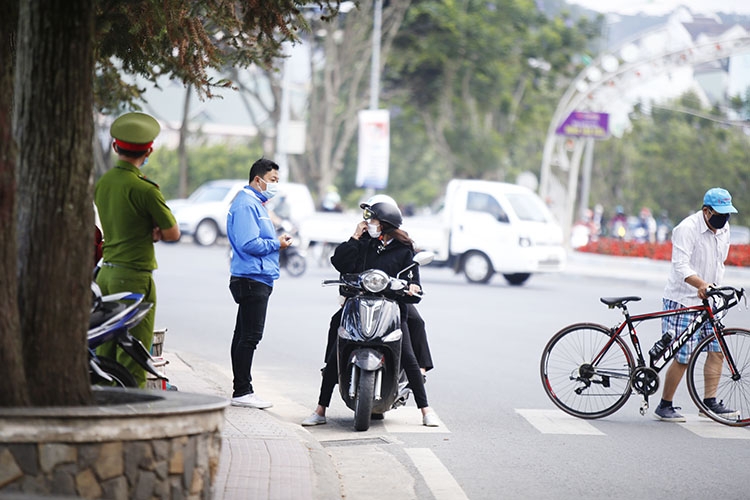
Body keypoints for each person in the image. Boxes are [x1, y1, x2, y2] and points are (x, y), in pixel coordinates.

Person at [301, 200, 440, 427]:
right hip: (358, 304)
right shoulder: (363, 242)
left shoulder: (404, 249)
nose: (368, 223)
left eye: (372, 219)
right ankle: (320, 410)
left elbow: (413, 281)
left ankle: (425, 410)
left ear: (384, 224)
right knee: (336, 345)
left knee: (407, 354)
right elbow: (339, 263)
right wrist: (355, 237)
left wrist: (412, 287)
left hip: (391, 308)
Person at [95, 112, 181, 387]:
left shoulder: (103, 183)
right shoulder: (145, 189)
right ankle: (131, 417)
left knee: (103, 354)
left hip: (104, 275)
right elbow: (172, 233)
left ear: (114, 147)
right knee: (133, 356)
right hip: (133, 277)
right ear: (149, 151)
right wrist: (153, 231)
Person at [654, 187, 739, 422]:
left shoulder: (725, 229)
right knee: (684, 356)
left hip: (710, 299)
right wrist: (700, 284)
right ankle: (665, 404)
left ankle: (709, 403)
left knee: (717, 350)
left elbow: (718, 262)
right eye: (720, 214)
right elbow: (680, 266)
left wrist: (713, 289)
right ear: (706, 211)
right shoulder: (686, 229)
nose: (724, 219)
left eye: (727, 214)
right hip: (683, 299)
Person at [227, 158, 293, 409]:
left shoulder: (257, 203)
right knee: (250, 336)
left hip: (256, 276)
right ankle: (243, 390)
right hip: (252, 278)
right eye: (273, 180)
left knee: (243, 334)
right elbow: (248, 243)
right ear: (258, 179)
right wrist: (278, 243)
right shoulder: (246, 204)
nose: (275, 185)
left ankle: (241, 389)